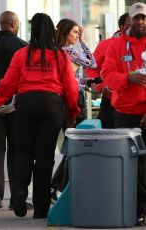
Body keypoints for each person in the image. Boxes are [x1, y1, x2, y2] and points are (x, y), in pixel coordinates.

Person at [0, 12, 79, 218]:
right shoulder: (60, 55)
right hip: (51, 105)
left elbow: (7, 83)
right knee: (45, 156)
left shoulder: (22, 54)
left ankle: (20, 192)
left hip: (25, 104)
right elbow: (70, 87)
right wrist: (73, 111)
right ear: (52, 31)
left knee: (23, 151)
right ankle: (41, 208)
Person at [102, 2, 146, 225]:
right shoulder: (116, 46)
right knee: (131, 164)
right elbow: (107, 76)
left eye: (144, 18)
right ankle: (137, 209)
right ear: (129, 20)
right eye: (136, 18)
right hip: (125, 113)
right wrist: (127, 78)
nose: (140, 22)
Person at [50, 18, 97, 201]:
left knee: (71, 145)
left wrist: (84, 81)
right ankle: (55, 186)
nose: (78, 35)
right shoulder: (68, 51)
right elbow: (92, 64)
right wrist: (84, 43)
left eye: (79, 33)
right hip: (72, 100)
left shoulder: (54, 51)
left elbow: (71, 77)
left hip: (59, 99)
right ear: (65, 32)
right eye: (75, 32)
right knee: (76, 145)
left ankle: (57, 187)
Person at [0, 11, 27, 210]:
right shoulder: (23, 47)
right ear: (14, 24)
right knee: (17, 151)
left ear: (1, 24)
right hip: (16, 105)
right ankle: (16, 197)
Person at [85, 12, 129, 128]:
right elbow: (92, 68)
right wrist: (101, 86)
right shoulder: (105, 44)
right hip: (110, 101)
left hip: (137, 102)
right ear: (121, 27)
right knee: (107, 138)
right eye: (129, 25)